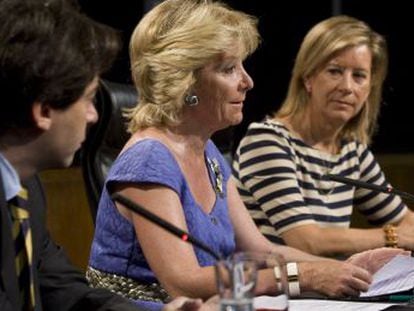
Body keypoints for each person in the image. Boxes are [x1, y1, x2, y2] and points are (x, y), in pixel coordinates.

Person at [87, 1, 407, 308]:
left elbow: (260, 250)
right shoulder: (149, 159)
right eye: (228, 69)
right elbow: (184, 282)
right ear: (184, 79)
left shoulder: (207, 151)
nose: (248, 82)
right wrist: (299, 276)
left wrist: (348, 269)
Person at [0, 0, 209, 310]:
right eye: (87, 100)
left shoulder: (26, 187)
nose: (93, 116)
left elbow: (62, 289)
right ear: (44, 111)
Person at [233, 15, 414, 257]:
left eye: (359, 75)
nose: (347, 87)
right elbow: (306, 241)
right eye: (335, 71)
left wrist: (403, 231)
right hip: (276, 291)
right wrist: (392, 237)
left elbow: (405, 222)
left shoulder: (353, 152)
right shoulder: (266, 142)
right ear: (308, 78)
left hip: (330, 289)